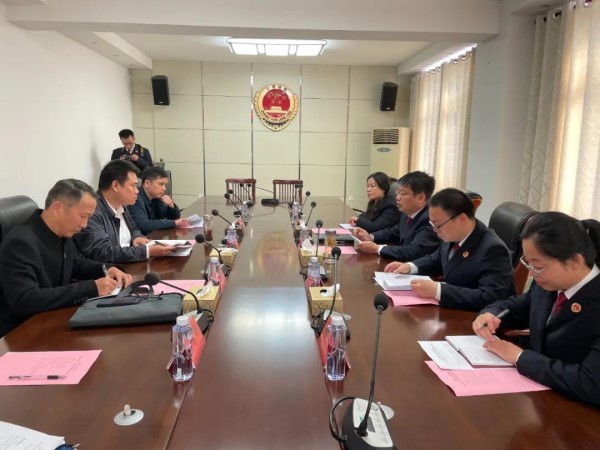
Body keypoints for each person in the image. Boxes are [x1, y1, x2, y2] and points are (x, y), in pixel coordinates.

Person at [473, 212, 600, 407]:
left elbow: (591, 384)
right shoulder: (549, 283)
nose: (531, 273)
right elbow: (520, 305)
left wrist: (520, 357)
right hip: (540, 397)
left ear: (575, 261)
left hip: (577, 412)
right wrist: (490, 314)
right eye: (527, 262)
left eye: (538, 265)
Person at [0, 179, 132, 336]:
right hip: (23, 332)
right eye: (83, 216)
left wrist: (107, 269)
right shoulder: (20, 242)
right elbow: (25, 300)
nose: (85, 225)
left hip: (51, 318)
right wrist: (91, 288)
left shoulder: (62, 232)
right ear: (58, 208)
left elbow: (75, 264)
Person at [385, 188, 514, 311]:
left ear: (462, 219)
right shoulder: (452, 233)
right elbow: (437, 258)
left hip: (471, 318)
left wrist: (438, 291)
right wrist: (410, 266)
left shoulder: (493, 249)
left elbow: (490, 298)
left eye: (438, 225)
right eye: (432, 224)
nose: (435, 230)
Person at [74, 160, 175, 263]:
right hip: (110, 270)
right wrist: (146, 251)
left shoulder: (122, 205)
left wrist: (136, 237)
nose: (137, 191)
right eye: (133, 186)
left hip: (130, 264)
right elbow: (103, 252)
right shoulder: (92, 212)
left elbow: (134, 228)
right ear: (116, 186)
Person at [354, 171, 440, 261]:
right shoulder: (407, 213)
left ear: (420, 198)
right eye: (397, 192)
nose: (397, 198)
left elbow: (412, 251)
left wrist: (378, 249)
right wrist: (370, 237)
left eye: (402, 194)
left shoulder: (429, 220)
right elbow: (394, 232)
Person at [128, 166, 189, 234]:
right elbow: (144, 225)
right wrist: (174, 223)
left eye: (165, 185)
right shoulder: (135, 199)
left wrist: (171, 206)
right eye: (161, 184)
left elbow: (174, 217)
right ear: (147, 183)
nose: (164, 188)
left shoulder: (156, 197)